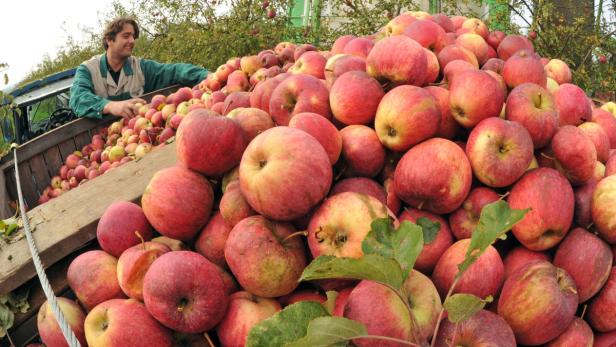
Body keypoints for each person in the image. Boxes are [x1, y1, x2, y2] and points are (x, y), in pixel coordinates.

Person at [69, 17, 208, 119]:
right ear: (109, 40)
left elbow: (174, 71)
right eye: (126, 36)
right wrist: (112, 106)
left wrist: (209, 77)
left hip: (138, 136)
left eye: (133, 36)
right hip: (103, 140)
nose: (132, 41)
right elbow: (77, 98)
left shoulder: (141, 67)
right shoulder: (88, 69)